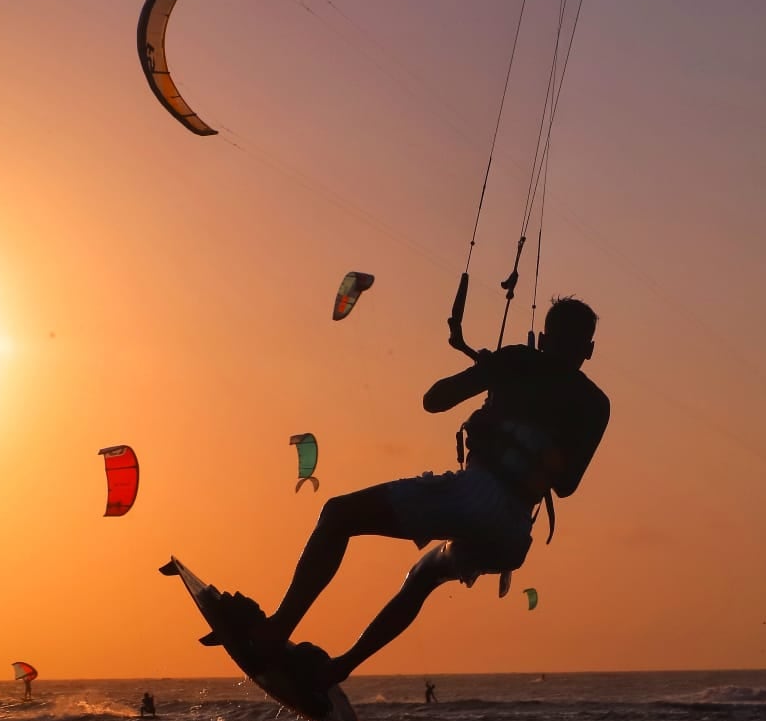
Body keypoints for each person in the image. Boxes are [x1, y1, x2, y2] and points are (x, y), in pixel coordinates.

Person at [217, 296, 609, 697]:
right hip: (512, 536)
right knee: (424, 575)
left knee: (337, 515)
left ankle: (276, 630)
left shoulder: (515, 361)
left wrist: (487, 372)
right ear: (589, 349)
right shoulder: (597, 405)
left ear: (543, 337)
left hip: (476, 495)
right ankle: (338, 669)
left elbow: (433, 401)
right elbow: (567, 486)